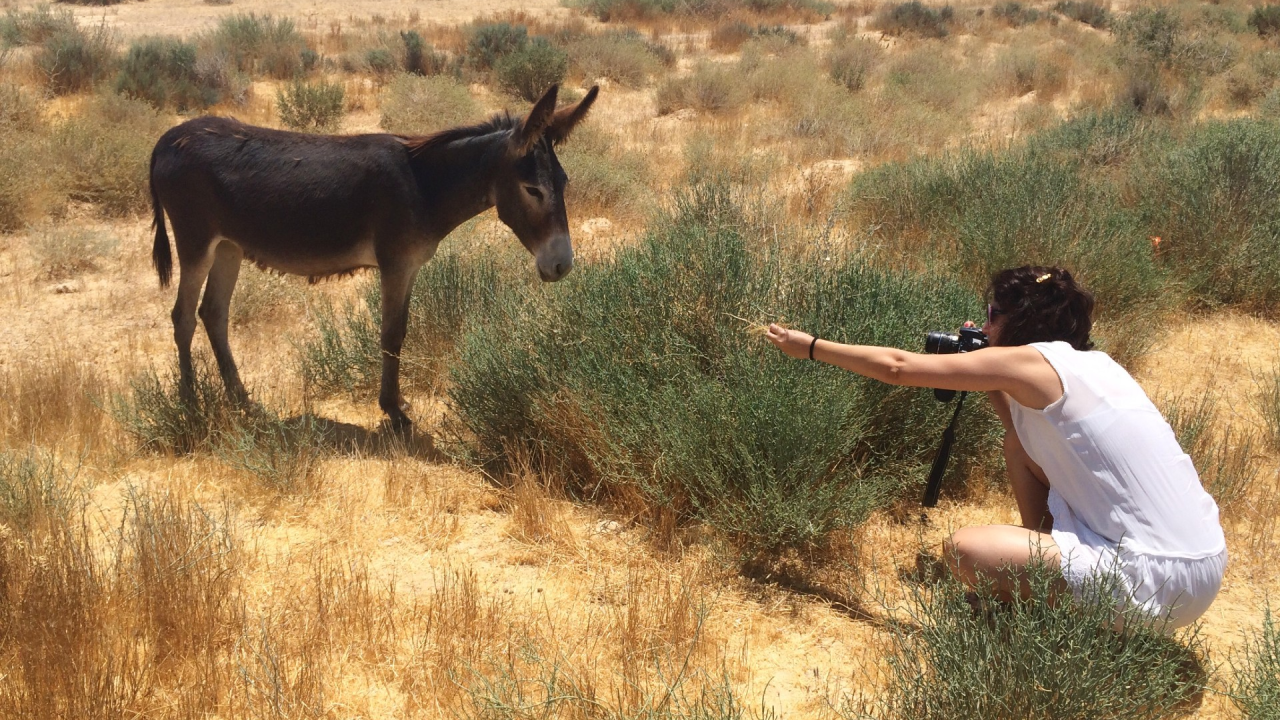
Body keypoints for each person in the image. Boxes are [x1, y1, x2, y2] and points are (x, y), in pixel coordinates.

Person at [764, 265, 1227, 629]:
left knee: (965, 551)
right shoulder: (1096, 366)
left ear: (1019, 321)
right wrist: (985, 367)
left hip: (1156, 581)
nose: (984, 322)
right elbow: (1024, 436)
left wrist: (809, 346)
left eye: (992, 314)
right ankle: (1050, 576)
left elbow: (899, 368)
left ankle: (1053, 609)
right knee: (1014, 447)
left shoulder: (1031, 364)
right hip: (1204, 563)